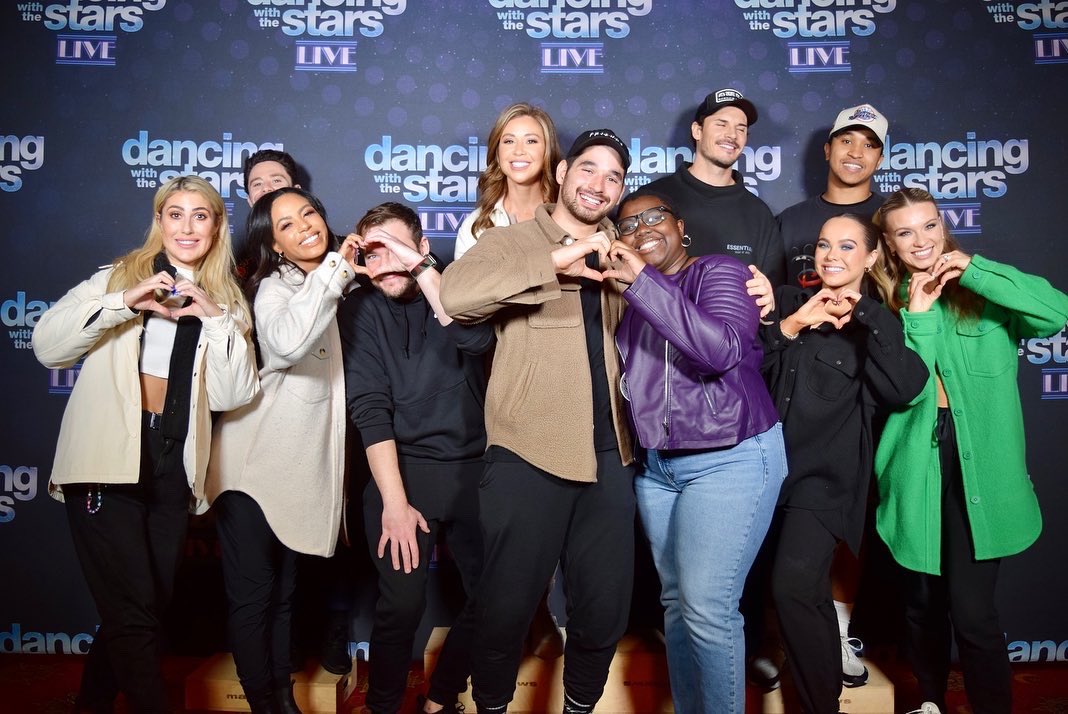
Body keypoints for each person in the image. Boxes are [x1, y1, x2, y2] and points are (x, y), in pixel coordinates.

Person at [32, 175, 259, 713]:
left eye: (200, 215)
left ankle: (89, 704)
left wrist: (217, 322)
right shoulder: (117, 278)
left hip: (170, 460)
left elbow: (234, 392)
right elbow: (47, 346)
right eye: (174, 214)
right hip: (106, 459)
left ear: (217, 226)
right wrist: (123, 303)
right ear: (159, 222)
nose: (186, 226)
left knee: (143, 608)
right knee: (134, 615)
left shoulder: (226, 300)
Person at [439, 129, 636, 714]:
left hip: (611, 456)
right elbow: (455, 296)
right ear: (563, 171)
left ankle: (579, 709)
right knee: (503, 612)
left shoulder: (624, 251)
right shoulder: (513, 241)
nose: (599, 185)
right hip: (529, 452)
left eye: (614, 177)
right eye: (589, 169)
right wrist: (551, 261)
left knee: (604, 611)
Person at [873, 187, 1068, 714]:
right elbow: (908, 387)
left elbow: (1056, 312)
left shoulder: (987, 291)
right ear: (889, 246)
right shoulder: (882, 304)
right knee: (920, 608)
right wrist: (918, 312)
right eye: (905, 232)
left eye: (930, 226)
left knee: (974, 612)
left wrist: (976, 271)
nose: (921, 241)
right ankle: (931, 703)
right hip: (914, 463)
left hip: (981, 465)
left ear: (945, 227)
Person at [601, 192, 787, 714]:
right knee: (678, 609)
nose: (641, 229)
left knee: (708, 611)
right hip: (659, 469)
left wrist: (640, 280)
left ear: (681, 226)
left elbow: (719, 351)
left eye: (654, 216)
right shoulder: (631, 299)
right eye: (628, 223)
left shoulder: (721, 272)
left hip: (730, 457)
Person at [761, 214, 927, 714]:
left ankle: (819, 705)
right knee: (803, 592)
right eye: (824, 244)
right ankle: (826, 683)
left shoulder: (879, 322)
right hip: (765, 476)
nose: (832, 255)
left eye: (848, 246)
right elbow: (747, 375)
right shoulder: (790, 300)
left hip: (825, 486)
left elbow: (906, 388)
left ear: (872, 257)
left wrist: (868, 316)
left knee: (789, 585)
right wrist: (791, 325)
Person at [206, 187, 361, 713]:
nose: (305, 227)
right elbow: (290, 343)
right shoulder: (274, 288)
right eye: (288, 225)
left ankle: (283, 700)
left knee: (284, 597)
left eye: (309, 214)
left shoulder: (327, 280)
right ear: (273, 243)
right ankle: (265, 705)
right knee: (255, 599)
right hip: (250, 468)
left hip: (293, 471)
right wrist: (337, 269)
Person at [342, 202, 494, 714]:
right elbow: (371, 407)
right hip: (401, 469)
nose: (384, 261)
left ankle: (443, 695)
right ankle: (382, 706)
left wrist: (421, 268)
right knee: (402, 603)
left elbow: (473, 338)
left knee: (499, 594)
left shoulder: (453, 287)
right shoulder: (359, 308)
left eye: (396, 246)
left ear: (422, 247)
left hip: (476, 465)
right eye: (373, 249)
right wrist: (394, 502)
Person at [633, 87, 785, 288]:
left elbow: (770, 296)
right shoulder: (653, 198)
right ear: (697, 130)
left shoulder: (759, 215)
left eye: (741, 128)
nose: (732, 135)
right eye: (721, 124)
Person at [778, 103, 888, 290]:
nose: (856, 153)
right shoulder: (789, 221)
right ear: (828, 150)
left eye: (869, 145)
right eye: (846, 141)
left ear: (879, 161)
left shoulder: (893, 219)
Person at [453, 102, 561, 260]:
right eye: (509, 141)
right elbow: (460, 284)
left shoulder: (568, 214)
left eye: (531, 141)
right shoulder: (476, 226)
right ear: (497, 152)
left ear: (547, 150)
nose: (518, 151)